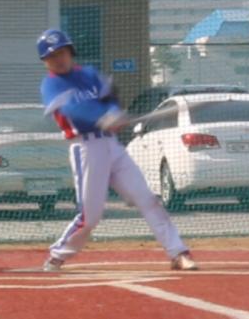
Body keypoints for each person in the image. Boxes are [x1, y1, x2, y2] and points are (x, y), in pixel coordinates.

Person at [37, 28, 197, 272]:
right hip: (86, 148)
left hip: (112, 145)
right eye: (51, 56)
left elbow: (110, 98)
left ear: (70, 51)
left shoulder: (89, 74)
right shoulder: (51, 84)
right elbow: (72, 110)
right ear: (45, 61)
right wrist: (100, 117)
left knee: (147, 199)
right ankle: (57, 255)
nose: (58, 59)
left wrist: (113, 112)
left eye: (61, 52)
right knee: (90, 217)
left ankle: (178, 252)